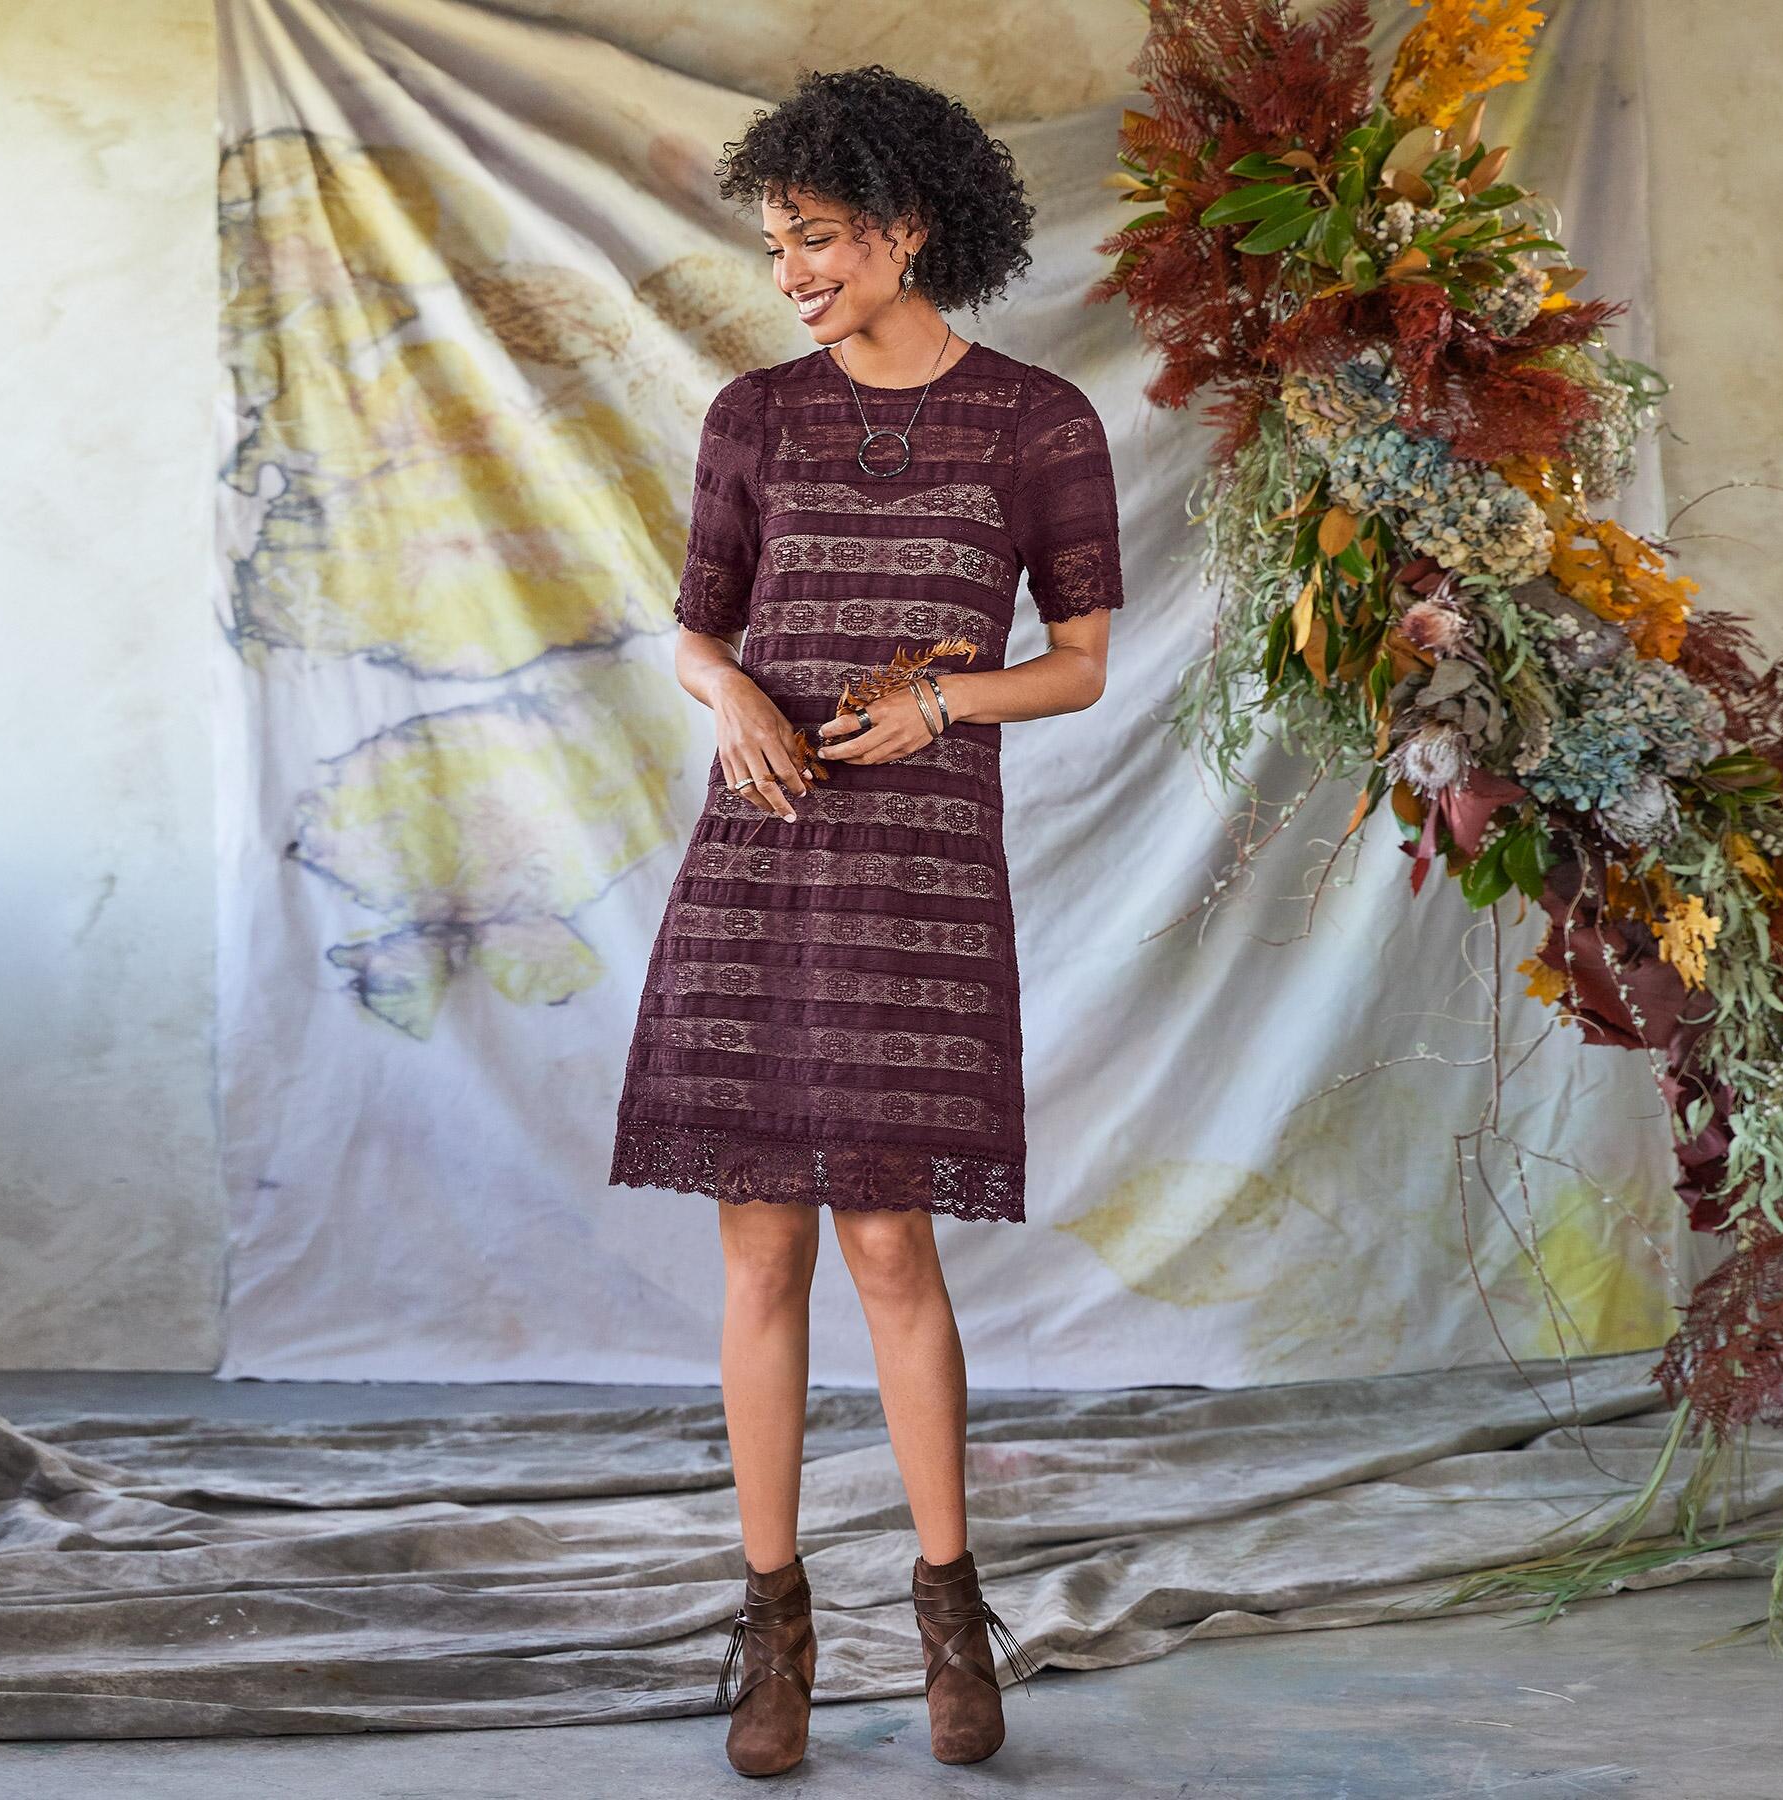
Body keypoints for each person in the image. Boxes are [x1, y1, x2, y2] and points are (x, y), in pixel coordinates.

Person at [607, 63, 1123, 1776]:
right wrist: (731, 698)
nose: (792, 275)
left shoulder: (1040, 422)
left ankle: (950, 1617)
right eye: (776, 245)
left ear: (908, 228)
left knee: (890, 1244)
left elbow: (1082, 665)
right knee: (759, 1246)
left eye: (817, 239)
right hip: (759, 857)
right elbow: (695, 629)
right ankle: (775, 1632)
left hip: (919, 878)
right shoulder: (752, 416)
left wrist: (943, 705)